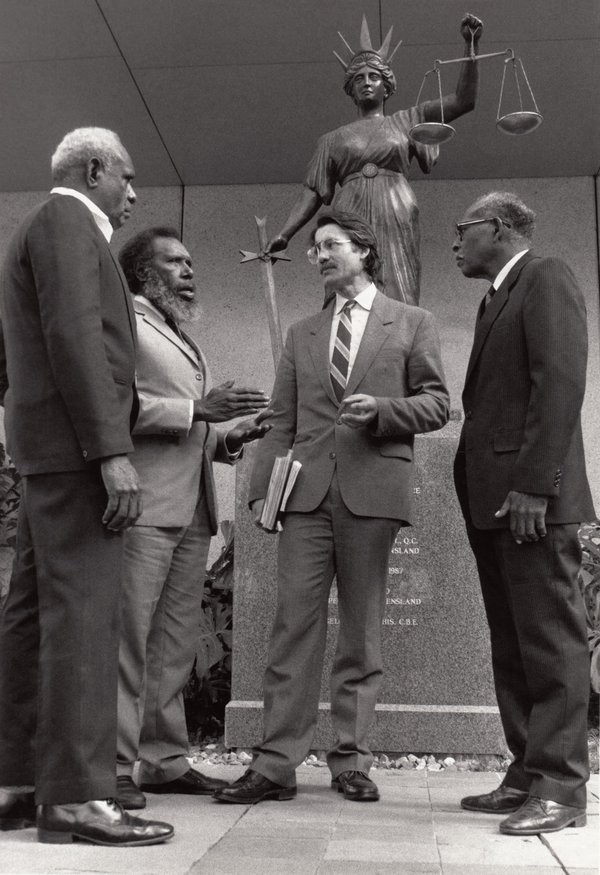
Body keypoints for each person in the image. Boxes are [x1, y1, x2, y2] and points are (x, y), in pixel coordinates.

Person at [214, 209, 449, 805]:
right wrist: (261, 493)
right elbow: (281, 422)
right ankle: (274, 764)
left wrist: (386, 412)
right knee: (294, 624)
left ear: (365, 252)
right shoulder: (302, 334)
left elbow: (437, 404)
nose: (319, 255)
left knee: (362, 630)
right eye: (316, 247)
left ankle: (351, 759)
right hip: (306, 498)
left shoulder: (412, 322)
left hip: (374, 491)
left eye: (331, 245)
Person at [0, 128, 173, 846]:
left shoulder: (32, 229)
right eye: (126, 178)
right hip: (78, 456)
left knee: (31, 617)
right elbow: (75, 335)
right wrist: (111, 451)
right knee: (83, 618)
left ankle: (20, 780)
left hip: (47, 452)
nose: (133, 194)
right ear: (95, 168)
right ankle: (75, 796)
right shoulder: (71, 221)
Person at [452, 191, 595, 835]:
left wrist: (538, 485)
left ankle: (563, 787)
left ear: (501, 228)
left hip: (532, 502)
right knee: (512, 643)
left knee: (549, 638)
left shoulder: (546, 277)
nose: (456, 240)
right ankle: (527, 771)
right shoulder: (495, 300)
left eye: (465, 229)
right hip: (496, 505)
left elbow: (560, 382)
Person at [114, 227, 271, 810]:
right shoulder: (124, 322)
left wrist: (231, 437)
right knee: (128, 640)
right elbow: (110, 405)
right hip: (143, 507)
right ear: (142, 272)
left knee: (172, 645)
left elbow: (189, 428)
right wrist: (196, 408)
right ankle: (111, 767)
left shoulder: (177, 330)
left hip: (191, 508)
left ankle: (162, 761)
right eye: (174, 262)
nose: (189, 270)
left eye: (190, 261)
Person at [266, 13, 483, 305]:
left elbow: (463, 100)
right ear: (351, 90)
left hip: (395, 209)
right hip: (349, 212)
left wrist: (470, 48)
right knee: (347, 284)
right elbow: (313, 192)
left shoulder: (410, 119)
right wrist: (284, 234)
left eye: (374, 77)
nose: (366, 83)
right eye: (358, 79)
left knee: (399, 287)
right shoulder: (332, 139)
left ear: (387, 86)